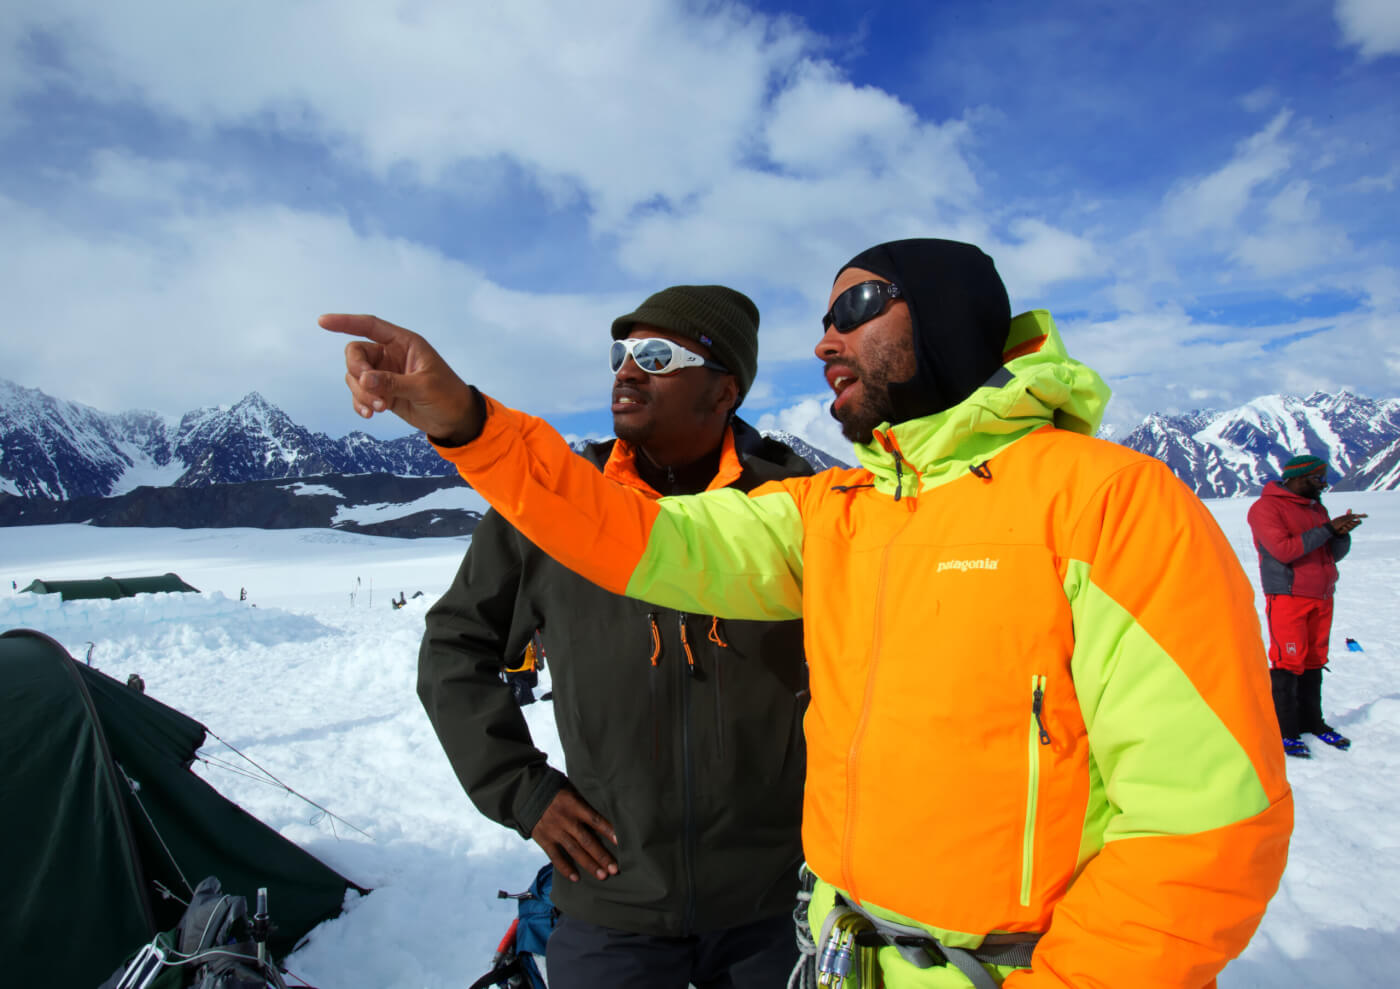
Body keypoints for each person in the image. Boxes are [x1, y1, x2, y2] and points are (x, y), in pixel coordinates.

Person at [323, 238, 1293, 988]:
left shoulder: (1105, 502)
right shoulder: (834, 514)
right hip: (788, 944)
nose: (825, 336)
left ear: (951, 318)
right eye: (822, 318)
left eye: (856, 306)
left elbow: (1202, 823)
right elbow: (640, 537)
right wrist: (466, 422)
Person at [413, 285, 812, 989]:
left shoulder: (793, 505)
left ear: (723, 390)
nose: (625, 371)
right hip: (610, 900)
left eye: (655, 356)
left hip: (770, 909)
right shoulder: (553, 506)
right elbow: (454, 646)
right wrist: (521, 789)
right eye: (620, 353)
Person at [1246, 454, 1366, 758]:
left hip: (1322, 595)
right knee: (1288, 661)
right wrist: (1328, 530)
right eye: (1318, 479)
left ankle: (1313, 721)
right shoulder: (1265, 509)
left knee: (1314, 659)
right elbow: (1284, 551)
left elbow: (1328, 555)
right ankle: (1285, 729)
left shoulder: (1316, 508)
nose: (1323, 485)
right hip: (1288, 596)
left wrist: (1340, 536)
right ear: (1298, 478)